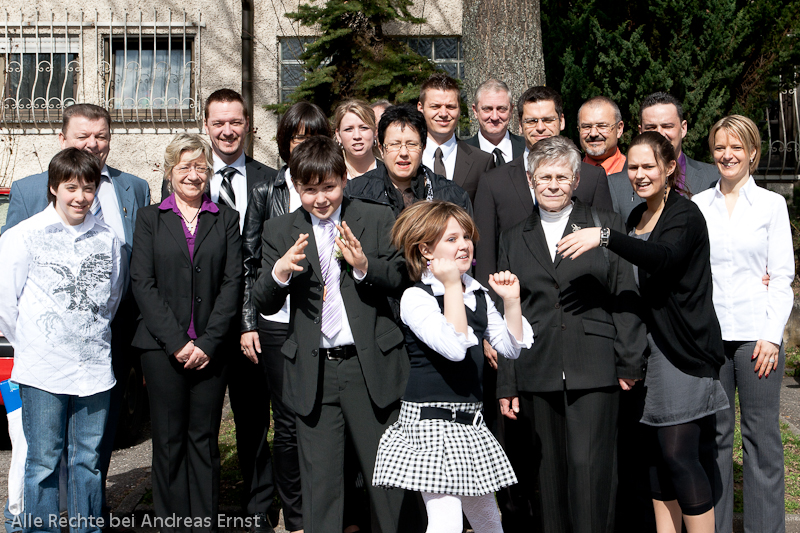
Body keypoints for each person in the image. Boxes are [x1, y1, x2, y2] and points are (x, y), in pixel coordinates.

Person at [558, 131, 729, 533]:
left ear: (669, 168)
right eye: (633, 167)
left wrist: (604, 236)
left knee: (679, 455)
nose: (639, 174)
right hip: (643, 351)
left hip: (681, 351)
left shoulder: (685, 215)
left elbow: (662, 258)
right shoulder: (636, 216)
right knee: (654, 458)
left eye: (648, 166)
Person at [251, 136, 413, 533]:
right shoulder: (279, 229)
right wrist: (279, 272)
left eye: (328, 187)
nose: (320, 198)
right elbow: (263, 301)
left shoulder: (375, 217)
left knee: (388, 482)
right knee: (320, 486)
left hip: (368, 366)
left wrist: (363, 266)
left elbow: (400, 276)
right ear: (296, 187)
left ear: (343, 179)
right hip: (315, 372)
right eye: (309, 190)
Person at [0, 103, 150, 526]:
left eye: (88, 188)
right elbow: (6, 301)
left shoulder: (108, 236)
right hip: (42, 367)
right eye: (71, 187)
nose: (81, 196)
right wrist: (35, 339)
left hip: (95, 367)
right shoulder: (23, 235)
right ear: (54, 187)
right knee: (42, 461)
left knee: (89, 460)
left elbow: (113, 295)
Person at [495, 136, 647, 533]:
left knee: (591, 471)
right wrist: (507, 380)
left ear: (576, 180)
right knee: (548, 478)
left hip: (594, 366)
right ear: (531, 180)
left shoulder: (604, 224)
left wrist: (629, 360)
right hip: (537, 368)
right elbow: (507, 313)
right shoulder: (513, 236)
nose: (552, 185)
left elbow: (624, 292)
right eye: (544, 177)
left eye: (562, 177)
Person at [372, 200, 532, 533]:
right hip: (429, 423)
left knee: (489, 521)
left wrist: (512, 301)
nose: (464, 245)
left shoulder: (477, 293)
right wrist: (450, 286)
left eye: (466, 237)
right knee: (446, 522)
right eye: (452, 238)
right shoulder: (417, 297)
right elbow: (454, 348)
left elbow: (510, 347)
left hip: (469, 422)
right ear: (426, 250)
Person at [160, 88, 279, 533]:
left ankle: (257, 508)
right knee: (198, 428)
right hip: (200, 330)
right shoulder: (189, 176)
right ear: (206, 126)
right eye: (218, 123)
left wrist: (249, 319)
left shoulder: (271, 179)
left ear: (248, 124)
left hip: (250, 326)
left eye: (235, 121)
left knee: (253, 422)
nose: (227, 130)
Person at [131, 133, 242, 533]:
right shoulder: (149, 218)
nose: (193, 175)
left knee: (203, 440)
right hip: (162, 350)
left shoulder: (225, 218)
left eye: (200, 167)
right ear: (169, 172)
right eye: (185, 167)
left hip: (212, 349)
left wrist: (208, 342)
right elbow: (142, 283)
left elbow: (232, 283)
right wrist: (178, 342)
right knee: (168, 441)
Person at [692, 115, 794, 533]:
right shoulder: (699, 206)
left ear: (753, 152)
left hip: (757, 340)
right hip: (711, 339)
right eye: (720, 147)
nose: (727, 154)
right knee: (714, 437)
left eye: (736, 147)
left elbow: (782, 276)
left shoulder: (771, 205)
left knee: (761, 438)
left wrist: (771, 337)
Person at [241, 101, 330, 533]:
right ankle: (296, 518)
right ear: (285, 143)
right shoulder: (267, 190)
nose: (305, 145)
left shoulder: (334, 190)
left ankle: (327, 510)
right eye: (297, 138)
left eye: (314, 137)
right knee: (289, 423)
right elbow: (249, 262)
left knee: (323, 418)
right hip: (278, 325)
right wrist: (248, 322)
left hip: (324, 323)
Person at [345, 104, 472, 217]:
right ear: (381, 148)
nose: (403, 153)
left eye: (411, 144)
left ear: (423, 147)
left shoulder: (453, 197)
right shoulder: (355, 194)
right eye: (395, 144)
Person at [608, 92, 718, 220]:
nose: (660, 133)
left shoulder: (713, 178)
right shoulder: (616, 185)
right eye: (651, 127)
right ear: (640, 131)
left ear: (683, 128)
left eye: (667, 126)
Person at [417, 73, 494, 202]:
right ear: (421, 107)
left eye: (450, 107)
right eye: (435, 106)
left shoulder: (482, 162)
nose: (443, 114)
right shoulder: (408, 157)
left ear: (459, 110)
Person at [462, 79, 526, 166]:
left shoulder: (529, 149)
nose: (494, 117)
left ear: (511, 110)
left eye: (501, 109)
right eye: (487, 109)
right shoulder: (461, 152)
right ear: (475, 111)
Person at [578, 96, 626, 175]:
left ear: (619, 129)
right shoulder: (570, 175)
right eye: (586, 126)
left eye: (602, 126)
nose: (593, 134)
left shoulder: (635, 175)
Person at [333, 99, 380, 179]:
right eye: (348, 129)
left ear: (375, 132)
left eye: (363, 128)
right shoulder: (331, 177)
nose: (357, 136)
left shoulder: (391, 176)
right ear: (338, 135)